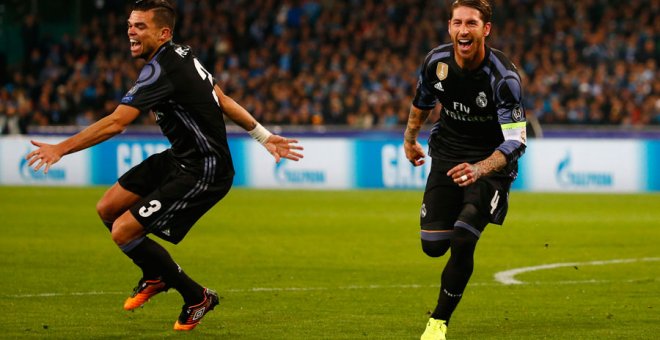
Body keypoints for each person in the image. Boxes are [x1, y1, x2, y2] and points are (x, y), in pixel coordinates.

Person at [26, 0, 303, 331]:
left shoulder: (162, 70)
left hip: (205, 169)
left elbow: (117, 123)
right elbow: (223, 99)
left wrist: (62, 148)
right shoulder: (182, 54)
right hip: (179, 157)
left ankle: (197, 296)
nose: (131, 30)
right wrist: (263, 135)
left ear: (164, 33)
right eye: (130, 24)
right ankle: (156, 274)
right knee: (108, 208)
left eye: (140, 26)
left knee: (124, 231)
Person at [403, 1, 526, 339]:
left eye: (471, 23)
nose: (463, 30)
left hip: (491, 162)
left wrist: (479, 169)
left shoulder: (504, 78)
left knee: (463, 237)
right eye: (457, 23)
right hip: (447, 153)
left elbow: (517, 142)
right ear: (449, 27)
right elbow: (422, 102)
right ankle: (457, 218)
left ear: (485, 29)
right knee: (433, 245)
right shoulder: (436, 62)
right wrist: (410, 138)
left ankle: (438, 322)